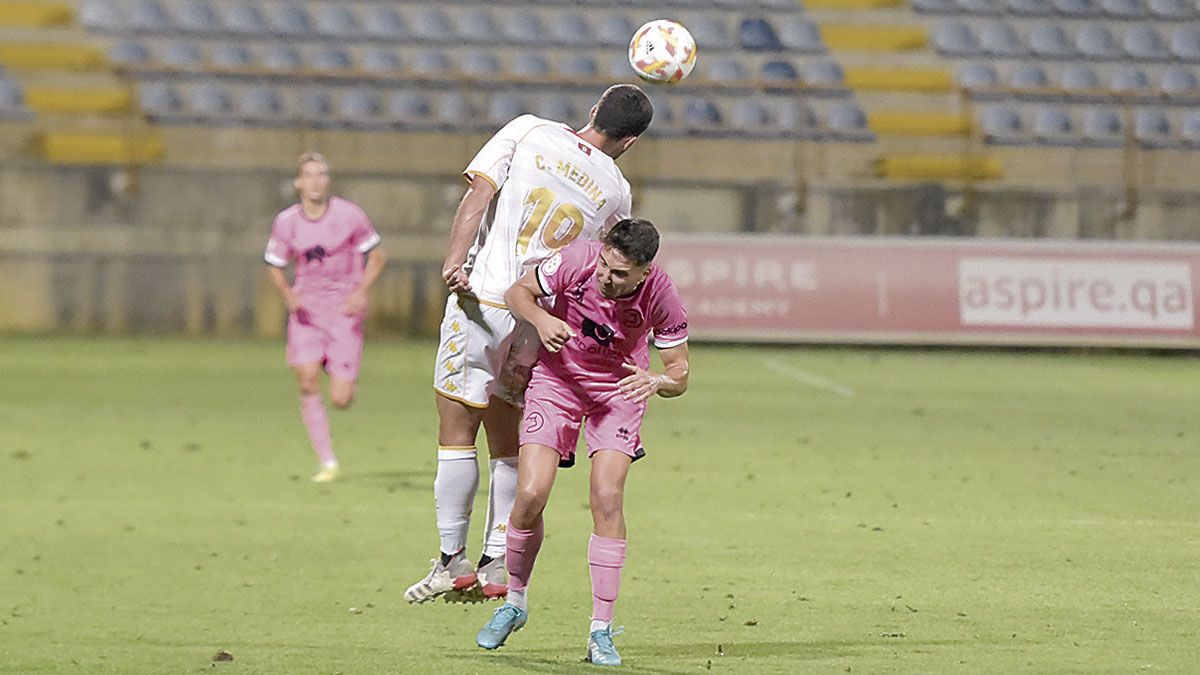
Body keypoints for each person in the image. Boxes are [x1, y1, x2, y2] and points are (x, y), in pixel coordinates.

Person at [404, 85, 654, 603]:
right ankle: (497, 561)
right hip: (538, 320)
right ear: (629, 142)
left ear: (591, 111)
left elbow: (478, 195)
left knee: (456, 431)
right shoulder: (616, 191)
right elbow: (599, 262)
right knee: (508, 438)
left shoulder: (527, 130)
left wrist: (454, 260)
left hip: (484, 299)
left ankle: (452, 561)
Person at [474, 219, 690, 667]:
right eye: (606, 267)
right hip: (558, 383)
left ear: (644, 272)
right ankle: (514, 602)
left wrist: (656, 382)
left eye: (620, 275)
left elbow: (679, 373)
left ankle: (600, 632)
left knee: (607, 496)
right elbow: (519, 293)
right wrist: (541, 317)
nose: (607, 279)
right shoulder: (577, 260)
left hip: (620, 391)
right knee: (531, 493)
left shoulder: (661, 294)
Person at [264, 152, 385, 483]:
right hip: (307, 312)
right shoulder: (287, 222)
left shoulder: (349, 215)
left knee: (341, 399)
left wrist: (361, 291)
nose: (317, 181)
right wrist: (288, 294)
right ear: (298, 182)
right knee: (305, 380)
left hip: (343, 310)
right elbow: (274, 264)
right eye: (310, 175)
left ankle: (338, 368)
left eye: (322, 174)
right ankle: (328, 462)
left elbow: (376, 256)